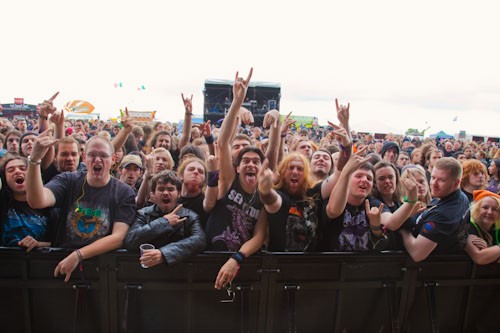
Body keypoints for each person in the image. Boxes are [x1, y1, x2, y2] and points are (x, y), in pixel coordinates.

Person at [26, 130, 136, 282]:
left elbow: (118, 237)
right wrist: (34, 161)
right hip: (63, 262)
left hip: (102, 268)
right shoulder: (68, 180)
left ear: (113, 160)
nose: (97, 160)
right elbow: (36, 201)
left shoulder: (124, 192)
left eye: (103, 156)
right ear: (84, 158)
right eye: (92, 155)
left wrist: (79, 255)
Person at [204, 69, 268, 290]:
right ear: (237, 167)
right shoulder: (230, 181)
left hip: (241, 264)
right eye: (245, 161)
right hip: (208, 257)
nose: (250, 164)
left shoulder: (264, 195)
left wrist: (237, 259)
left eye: (256, 161)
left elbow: (259, 236)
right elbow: (222, 144)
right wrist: (237, 101)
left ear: (262, 168)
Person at [124, 171, 206, 267]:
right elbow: (130, 240)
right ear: (153, 193)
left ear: (179, 193)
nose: (166, 193)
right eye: (161, 189)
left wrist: (164, 254)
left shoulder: (190, 216)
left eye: (171, 189)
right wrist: (164, 222)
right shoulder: (143, 214)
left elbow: (200, 240)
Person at [400, 157, 469, 262]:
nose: (434, 184)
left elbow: (417, 253)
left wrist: (403, 228)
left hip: (426, 272)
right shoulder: (453, 196)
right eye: (433, 177)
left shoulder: (444, 214)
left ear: (456, 183)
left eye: (442, 180)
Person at [258, 153, 318, 251]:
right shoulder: (280, 195)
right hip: (280, 263)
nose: (295, 172)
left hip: (310, 263)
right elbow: (271, 200)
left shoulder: (313, 194)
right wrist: (265, 190)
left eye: (300, 169)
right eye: (290, 168)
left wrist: (346, 148)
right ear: (282, 172)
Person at [0, 154, 51, 250]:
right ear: (5, 179)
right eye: (10, 170)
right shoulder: (3, 203)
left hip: (39, 262)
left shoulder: (48, 203)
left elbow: (59, 242)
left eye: (23, 168)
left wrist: (38, 244)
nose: (17, 171)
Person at [464, 190, 500, 264]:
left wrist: (489, 250)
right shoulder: (469, 227)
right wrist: (492, 252)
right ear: (477, 209)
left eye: (495, 209)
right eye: (485, 207)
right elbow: (479, 257)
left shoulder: (496, 229)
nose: (489, 212)